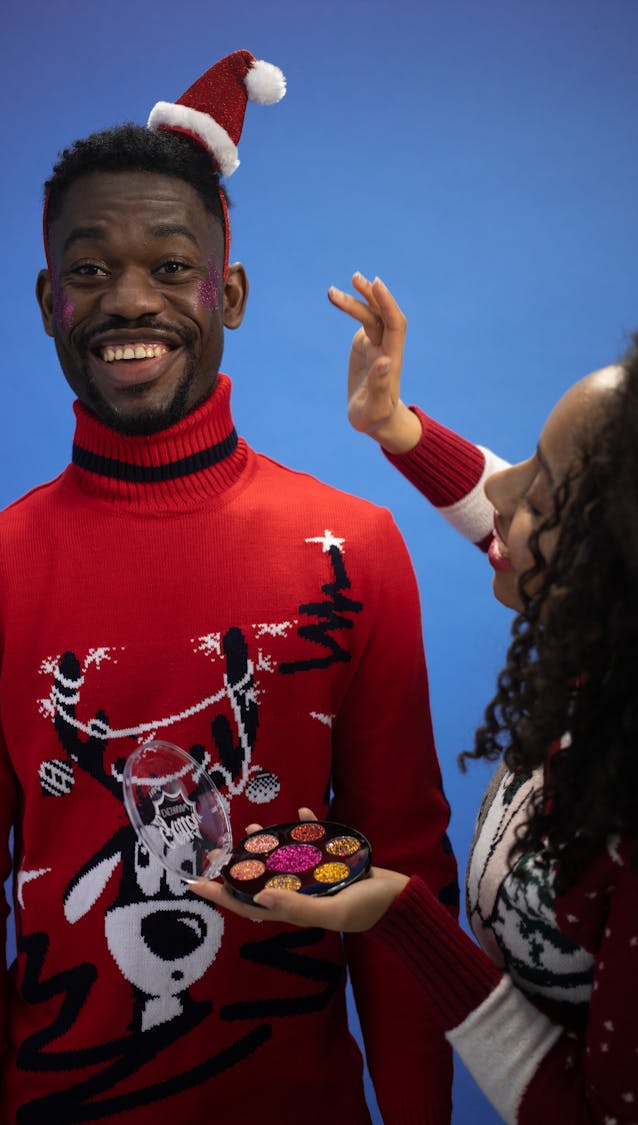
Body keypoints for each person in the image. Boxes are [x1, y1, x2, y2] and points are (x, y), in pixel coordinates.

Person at [0, 58, 458, 1125]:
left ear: (228, 295)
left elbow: (407, 888)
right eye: (90, 270)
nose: (130, 301)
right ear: (48, 302)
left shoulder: (355, 553)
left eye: (170, 264)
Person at [192, 273, 638, 1122]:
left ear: (611, 553)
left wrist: (403, 914)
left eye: (540, 489)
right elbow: (497, 512)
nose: (504, 493)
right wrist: (394, 426)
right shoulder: (608, 653)